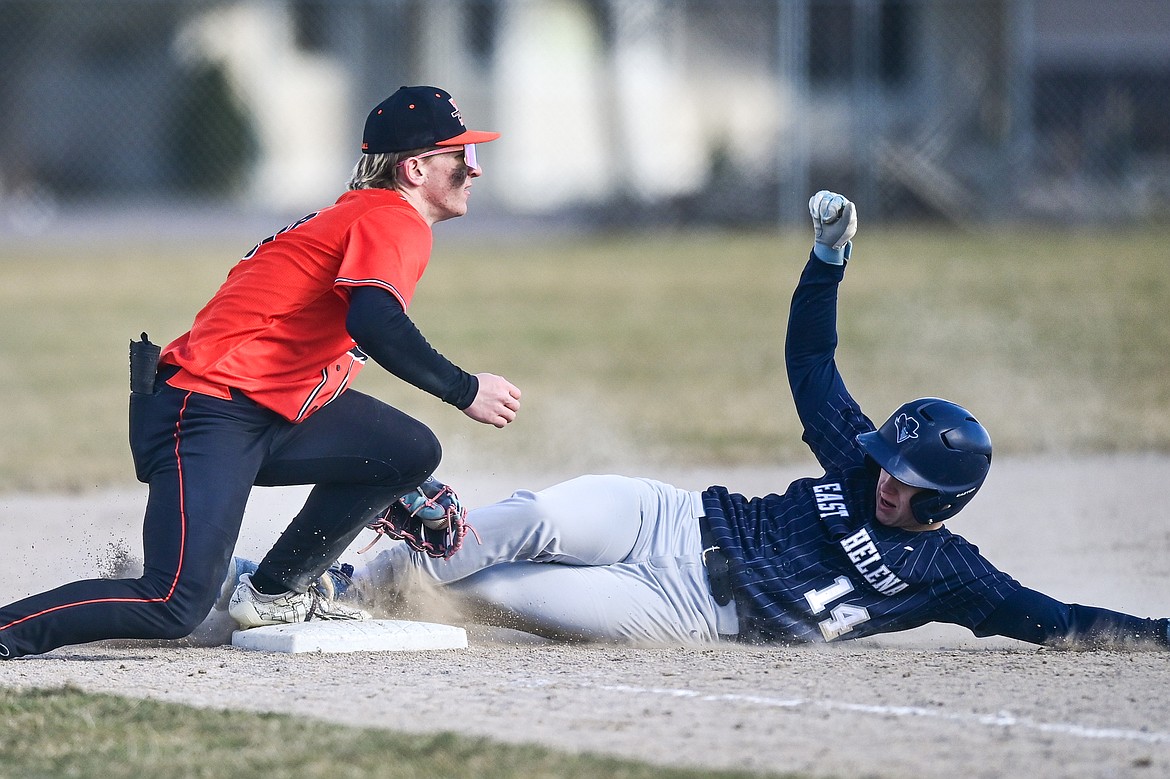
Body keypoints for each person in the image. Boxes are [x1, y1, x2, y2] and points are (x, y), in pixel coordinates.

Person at [242, 190, 1170, 649]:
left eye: (908, 482)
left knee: (501, 589)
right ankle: (318, 579)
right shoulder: (859, 463)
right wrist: (828, 260)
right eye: (889, 462)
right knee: (534, 516)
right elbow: (811, 363)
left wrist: (1158, 633)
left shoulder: (951, 575)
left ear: (948, 504)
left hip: (688, 610)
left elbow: (1055, 617)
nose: (887, 481)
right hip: (673, 517)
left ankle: (344, 593)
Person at [0, 85, 521, 660]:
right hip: (204, 412)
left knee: (406, 452)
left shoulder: (365, 215)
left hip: (258, 408)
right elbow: (376, 321)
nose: (474, 170)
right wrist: (465, 390)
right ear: (415, 168)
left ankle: (275, 592)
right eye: (462, 156)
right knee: (172, 604)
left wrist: (380, 478)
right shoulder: (392, 219)